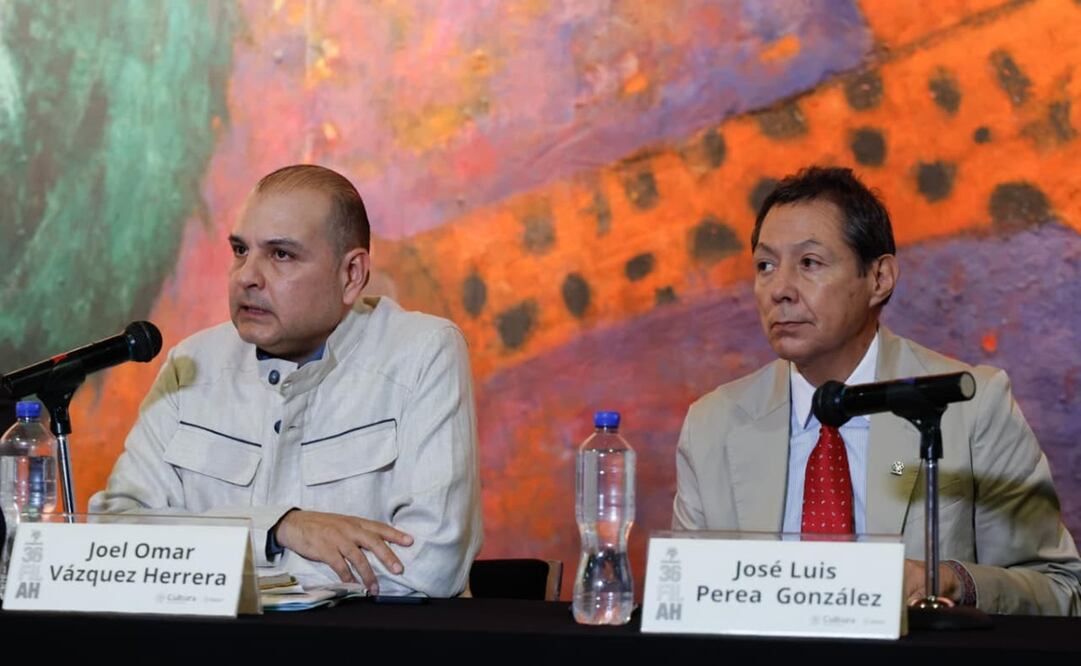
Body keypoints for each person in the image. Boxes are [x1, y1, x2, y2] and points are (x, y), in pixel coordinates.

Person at [672, 166, 1081, 615]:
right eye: (765, 266)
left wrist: (954, 581)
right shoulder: (712, 425)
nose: (779, 290)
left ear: (879, 278)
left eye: (809, 263)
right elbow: (685, 604)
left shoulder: (972, 407)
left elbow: (1061, 590)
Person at [91, 164, 482, 597]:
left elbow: (432, 564)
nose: (246, 276)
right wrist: (276, 530)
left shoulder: (423, 352)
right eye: (240, 250)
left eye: (281, 255)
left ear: (351, 274)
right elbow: (113, 536)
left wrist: (217, 564)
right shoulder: (193, 364)